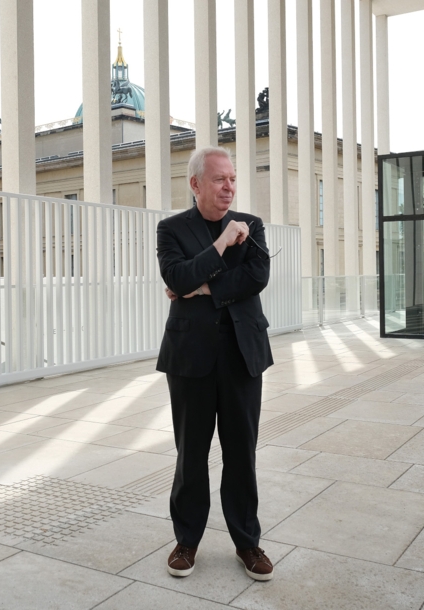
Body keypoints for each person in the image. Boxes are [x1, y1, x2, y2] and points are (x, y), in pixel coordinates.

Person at [156, 146, 274, 581]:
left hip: (244, 355)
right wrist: (223, 243)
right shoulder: (170, 229)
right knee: (191, 455)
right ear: (195, 184)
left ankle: (248, 543)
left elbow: (257, 276)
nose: (229, 187)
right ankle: (187, 541)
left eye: (232, 179)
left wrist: (202, 288)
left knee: (241, 452)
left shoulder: (253, 225)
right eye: (220, 179)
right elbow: (177, 278)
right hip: (190, 358)